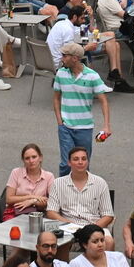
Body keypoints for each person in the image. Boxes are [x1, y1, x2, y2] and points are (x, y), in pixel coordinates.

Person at [52, 42, 113, 177]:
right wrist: (59, 121)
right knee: (65, 164)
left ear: (75, 58)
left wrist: (106, 126)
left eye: (64, 56)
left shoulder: (92, 76)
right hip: (65, 126)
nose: (62, 58)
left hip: (84, 128)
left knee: (82, 164)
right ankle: (63, 192)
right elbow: (56, 97)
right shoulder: (61, 74)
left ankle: (83, 193)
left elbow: (103, 101)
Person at [47, 147, 115, 252]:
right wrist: (70, 225)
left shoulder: (100, 183)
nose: (80, 162)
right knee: (53, 240)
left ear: (87, 161)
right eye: (76, 159)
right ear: (69, 163)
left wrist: (90, 229)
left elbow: (108, 215)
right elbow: (51, 212)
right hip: (67, 227)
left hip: (93, 226)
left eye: (84, 159)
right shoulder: (57, 183)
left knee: (108, 242)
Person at [3, 143, 53, 221]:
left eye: (34, 157)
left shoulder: (49, 176)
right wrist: (31, 196)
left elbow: (51, 201)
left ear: (40, 158)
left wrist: (32, 201)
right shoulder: (16, 172)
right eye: (27, 158)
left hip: (38, 215)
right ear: (23, 160)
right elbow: (9, 199)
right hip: (15, 212)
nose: (31, 161)